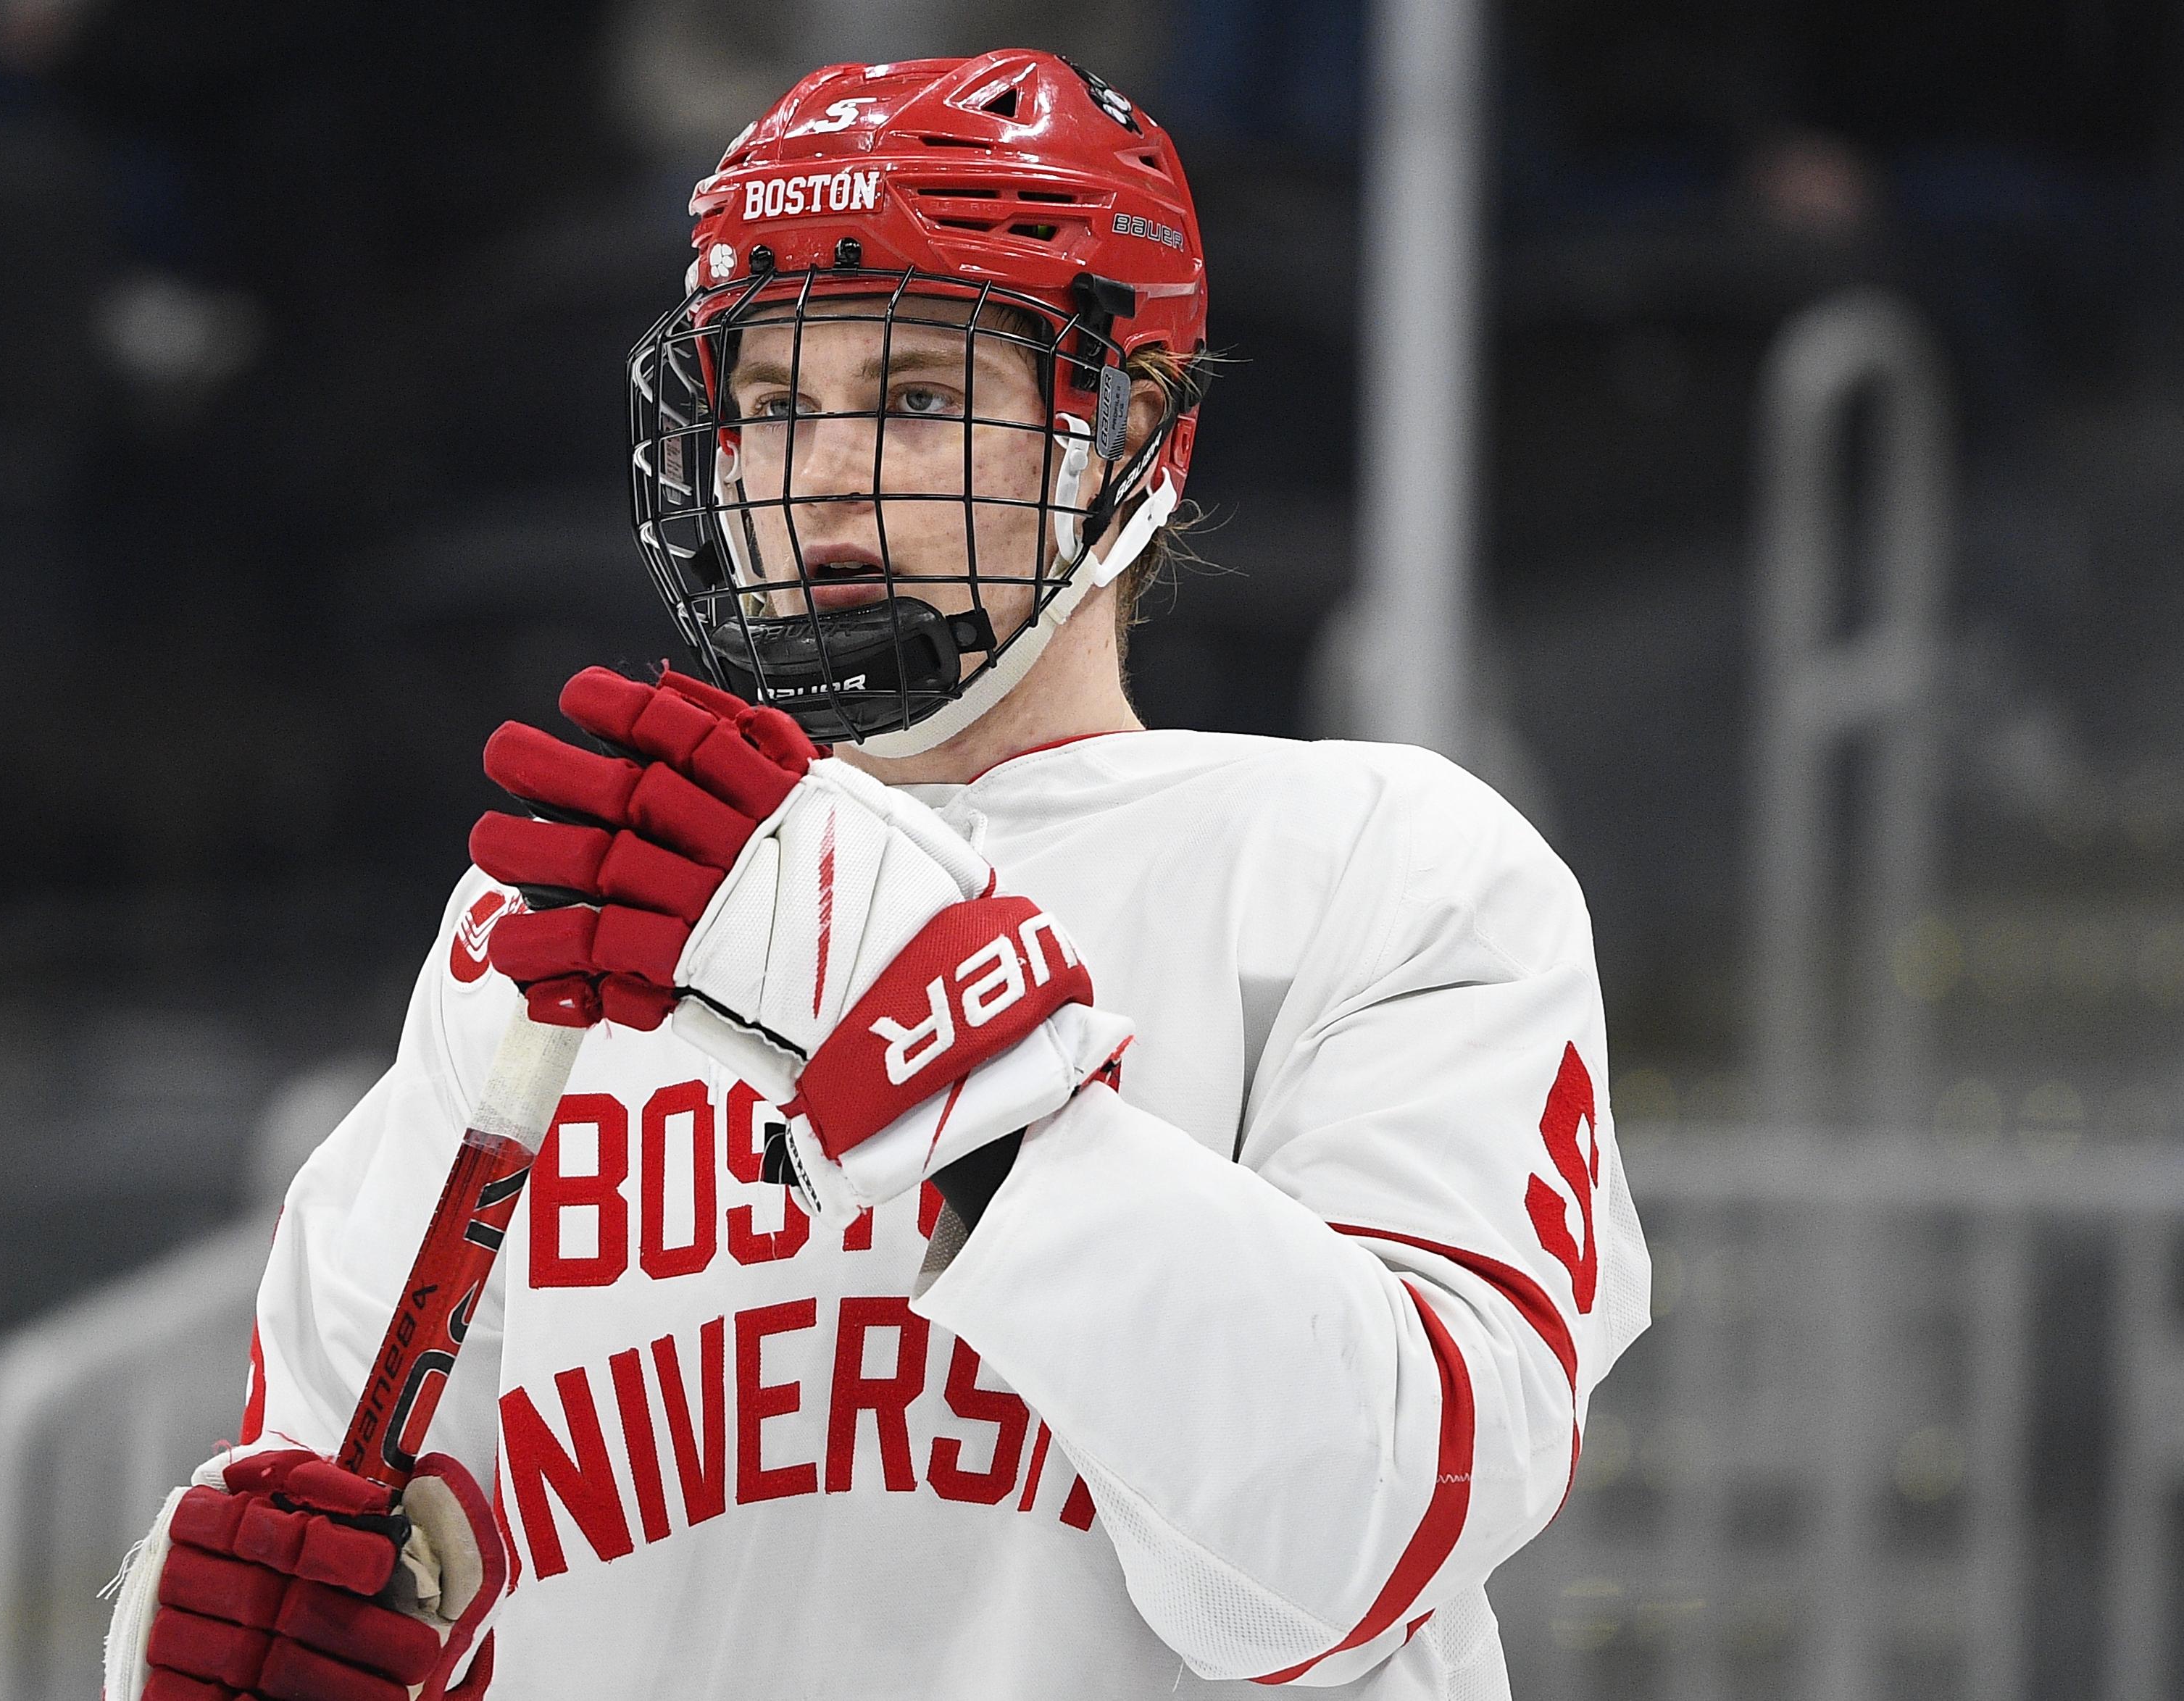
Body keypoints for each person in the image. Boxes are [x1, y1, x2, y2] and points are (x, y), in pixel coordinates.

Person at [107, 49, 1649, 1701]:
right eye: (767, 404)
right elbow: (348, 1507)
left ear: (1131, 424)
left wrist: (904, 1016)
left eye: (912, 398)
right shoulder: (551, 926)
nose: (813, 475)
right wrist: (236, 1633)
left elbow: (1359, 1538)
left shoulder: (1380, 869)